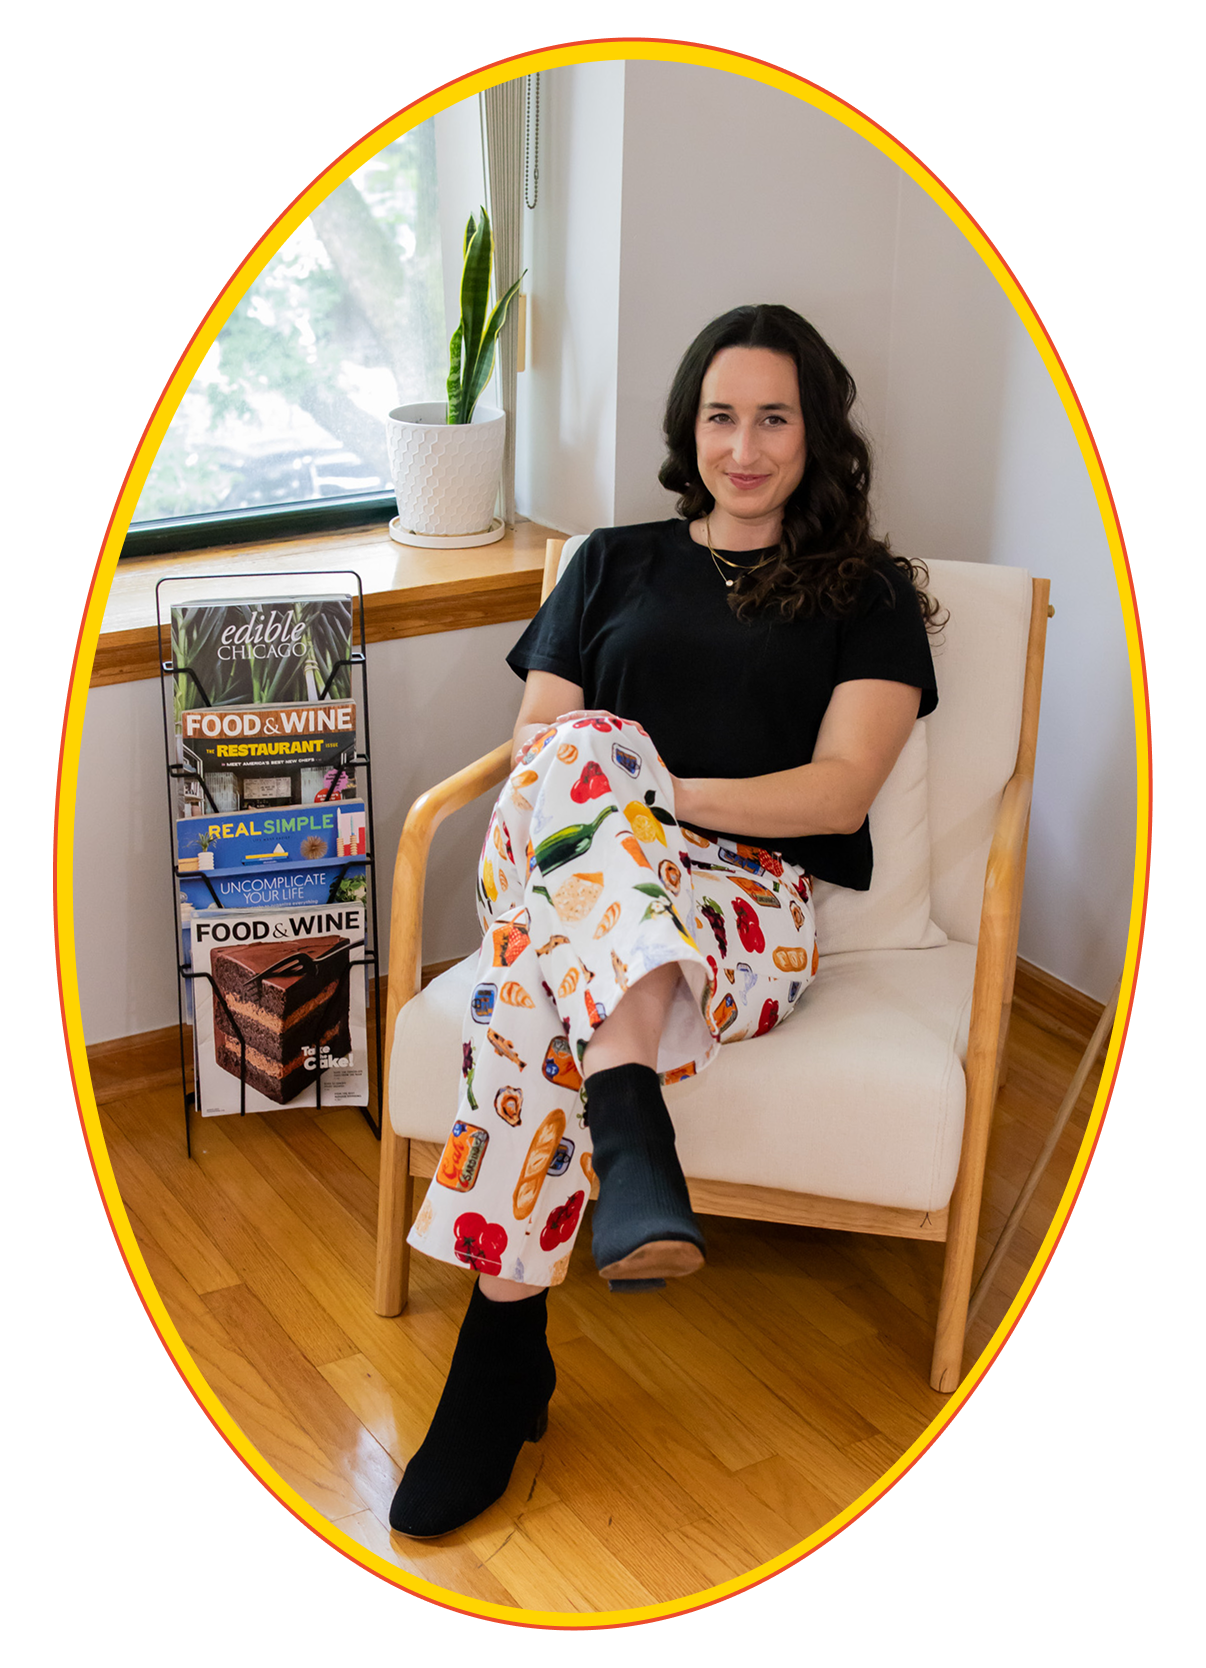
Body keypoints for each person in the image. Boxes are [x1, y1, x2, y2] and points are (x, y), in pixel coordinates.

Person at [389, 303, 941, 1538]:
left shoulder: (869, 593)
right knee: (573, 763)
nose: (745, 446)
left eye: (775, 418)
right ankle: (627, 1126)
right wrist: (611, 793)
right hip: (576, 876)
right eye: (721, 416)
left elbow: (840, 787)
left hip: (747, 908)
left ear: (817, 435)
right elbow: (539, 761)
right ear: (688, 431)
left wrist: (651, 791)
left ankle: (501, 1354)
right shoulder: (609, 561)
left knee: (528, 986)